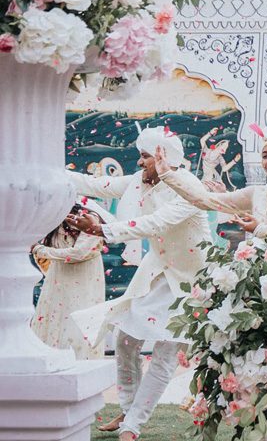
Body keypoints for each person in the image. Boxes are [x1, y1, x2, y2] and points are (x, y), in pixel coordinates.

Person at [64, 126, 209, 441]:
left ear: (164, 157)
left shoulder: (189, 187)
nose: (140, 162)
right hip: (157, 273)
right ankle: (128, 409)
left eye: (145, 156)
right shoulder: (139, 181)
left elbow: (155, 223)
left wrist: (104, 230)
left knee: (165, 354)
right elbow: (96, 183)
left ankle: (133, 426)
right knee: (125, 340)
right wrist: (48, 171)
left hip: (192, 282)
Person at [158, 123, 267, 238]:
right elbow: (204, 200)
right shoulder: (257, 193)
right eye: (264, 156)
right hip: (258, 281)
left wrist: (260, 229)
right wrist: (168, 175)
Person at [31, 204, 106, 359]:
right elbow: (48, 259)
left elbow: (79, 253)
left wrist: (40, 250)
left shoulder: (89, 219)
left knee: (78, 324)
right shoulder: (51, 223)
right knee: (53, 321)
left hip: (84, 279)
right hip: (58, 279)